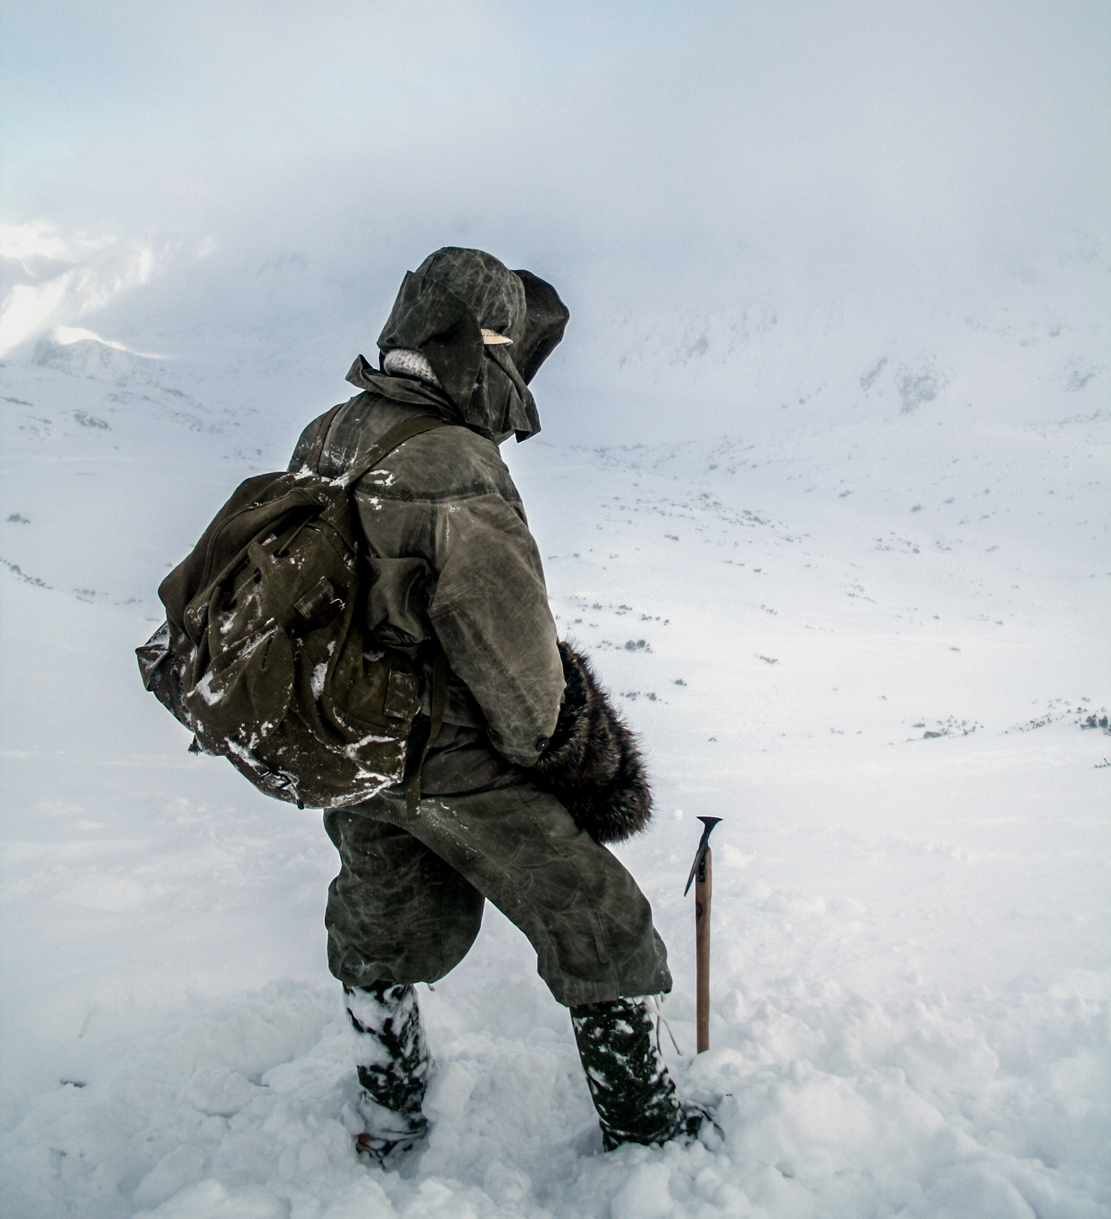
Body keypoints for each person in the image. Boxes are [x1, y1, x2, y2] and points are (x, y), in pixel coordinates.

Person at [285, 248, 701, 1159]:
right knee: (598, 916)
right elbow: (515, 668)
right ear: (486, 351)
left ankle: (390, 1110)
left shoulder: (333, 431)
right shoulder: (456, 466)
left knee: (379, 920)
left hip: (351, 739)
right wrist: (570, 751)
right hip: (450, 754)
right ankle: (646, 1134)